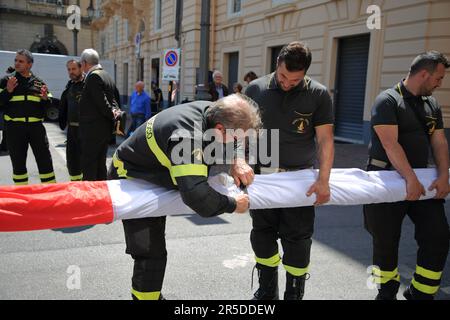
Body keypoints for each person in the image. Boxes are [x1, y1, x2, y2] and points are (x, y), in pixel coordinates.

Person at [108, 94, 259, 300]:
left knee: (154, 251)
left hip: (154, 172)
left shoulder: (213, 110)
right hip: (133, 180)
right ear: (220, 129)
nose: (238, 142)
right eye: (235, 138)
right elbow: (197, 197)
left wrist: (237, 159)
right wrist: (233, 205)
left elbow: (236, 141)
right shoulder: (186, 137)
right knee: (151, 253)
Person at [245, 41, 334, 300]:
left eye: (295, 80)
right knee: (262, 235)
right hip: (263, 176)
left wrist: (323, 180)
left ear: (305, 73)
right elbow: (241, 132)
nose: (287, 83)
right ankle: (267, 290)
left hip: (299, 178)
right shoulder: (255, 89)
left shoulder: (318, 94)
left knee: (298, 240)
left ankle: (294, 293)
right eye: (283, 76)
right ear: (277, 65)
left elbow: (325, 139)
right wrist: (239, 162)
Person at [363, 51, 450, 300]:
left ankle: (420, 293)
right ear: (424, 74)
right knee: (385, 241)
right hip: (387, 178)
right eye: (438, 78)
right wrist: (409, 178)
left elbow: (440, 142)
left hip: (421, 180)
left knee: (438, 234)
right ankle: (387, 292)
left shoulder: (432, 104)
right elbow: (390, 144)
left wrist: (443, 176)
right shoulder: (387, 100)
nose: (440, 83)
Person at [0, 49, 56, 185]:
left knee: (45, 162)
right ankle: (22, 196)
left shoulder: (39, 83)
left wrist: (44, 99)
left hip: (36, 128)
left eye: (21, 61)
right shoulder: (7, 81)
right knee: (18, 164)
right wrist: (8, 91)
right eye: (16, 60)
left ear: (29, 64)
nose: (17, 63)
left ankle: (50, 193)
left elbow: (48, 107)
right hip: (15, 129)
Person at [79, 48, 121, 181]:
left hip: (93, 129)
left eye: (81, 64)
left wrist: (111, 113)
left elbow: (102, 103)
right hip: (103, 129)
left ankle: (90, 197)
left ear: (85, 63)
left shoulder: (93, 76)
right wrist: (114, 112)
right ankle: (102, 193)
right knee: (100, 164)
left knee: (89, 165)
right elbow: (114, 100)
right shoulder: (106, 75)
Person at [59, 60, 84, 181]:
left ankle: (87, 190)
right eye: (69, 69)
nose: (71, 72)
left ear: (81, 69)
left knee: (86, 162)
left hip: (86, 130)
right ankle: (76, 188)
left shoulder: (88, 85)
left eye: (73, 69)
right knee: (72, 162)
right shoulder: (69, 85)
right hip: (71, 130)